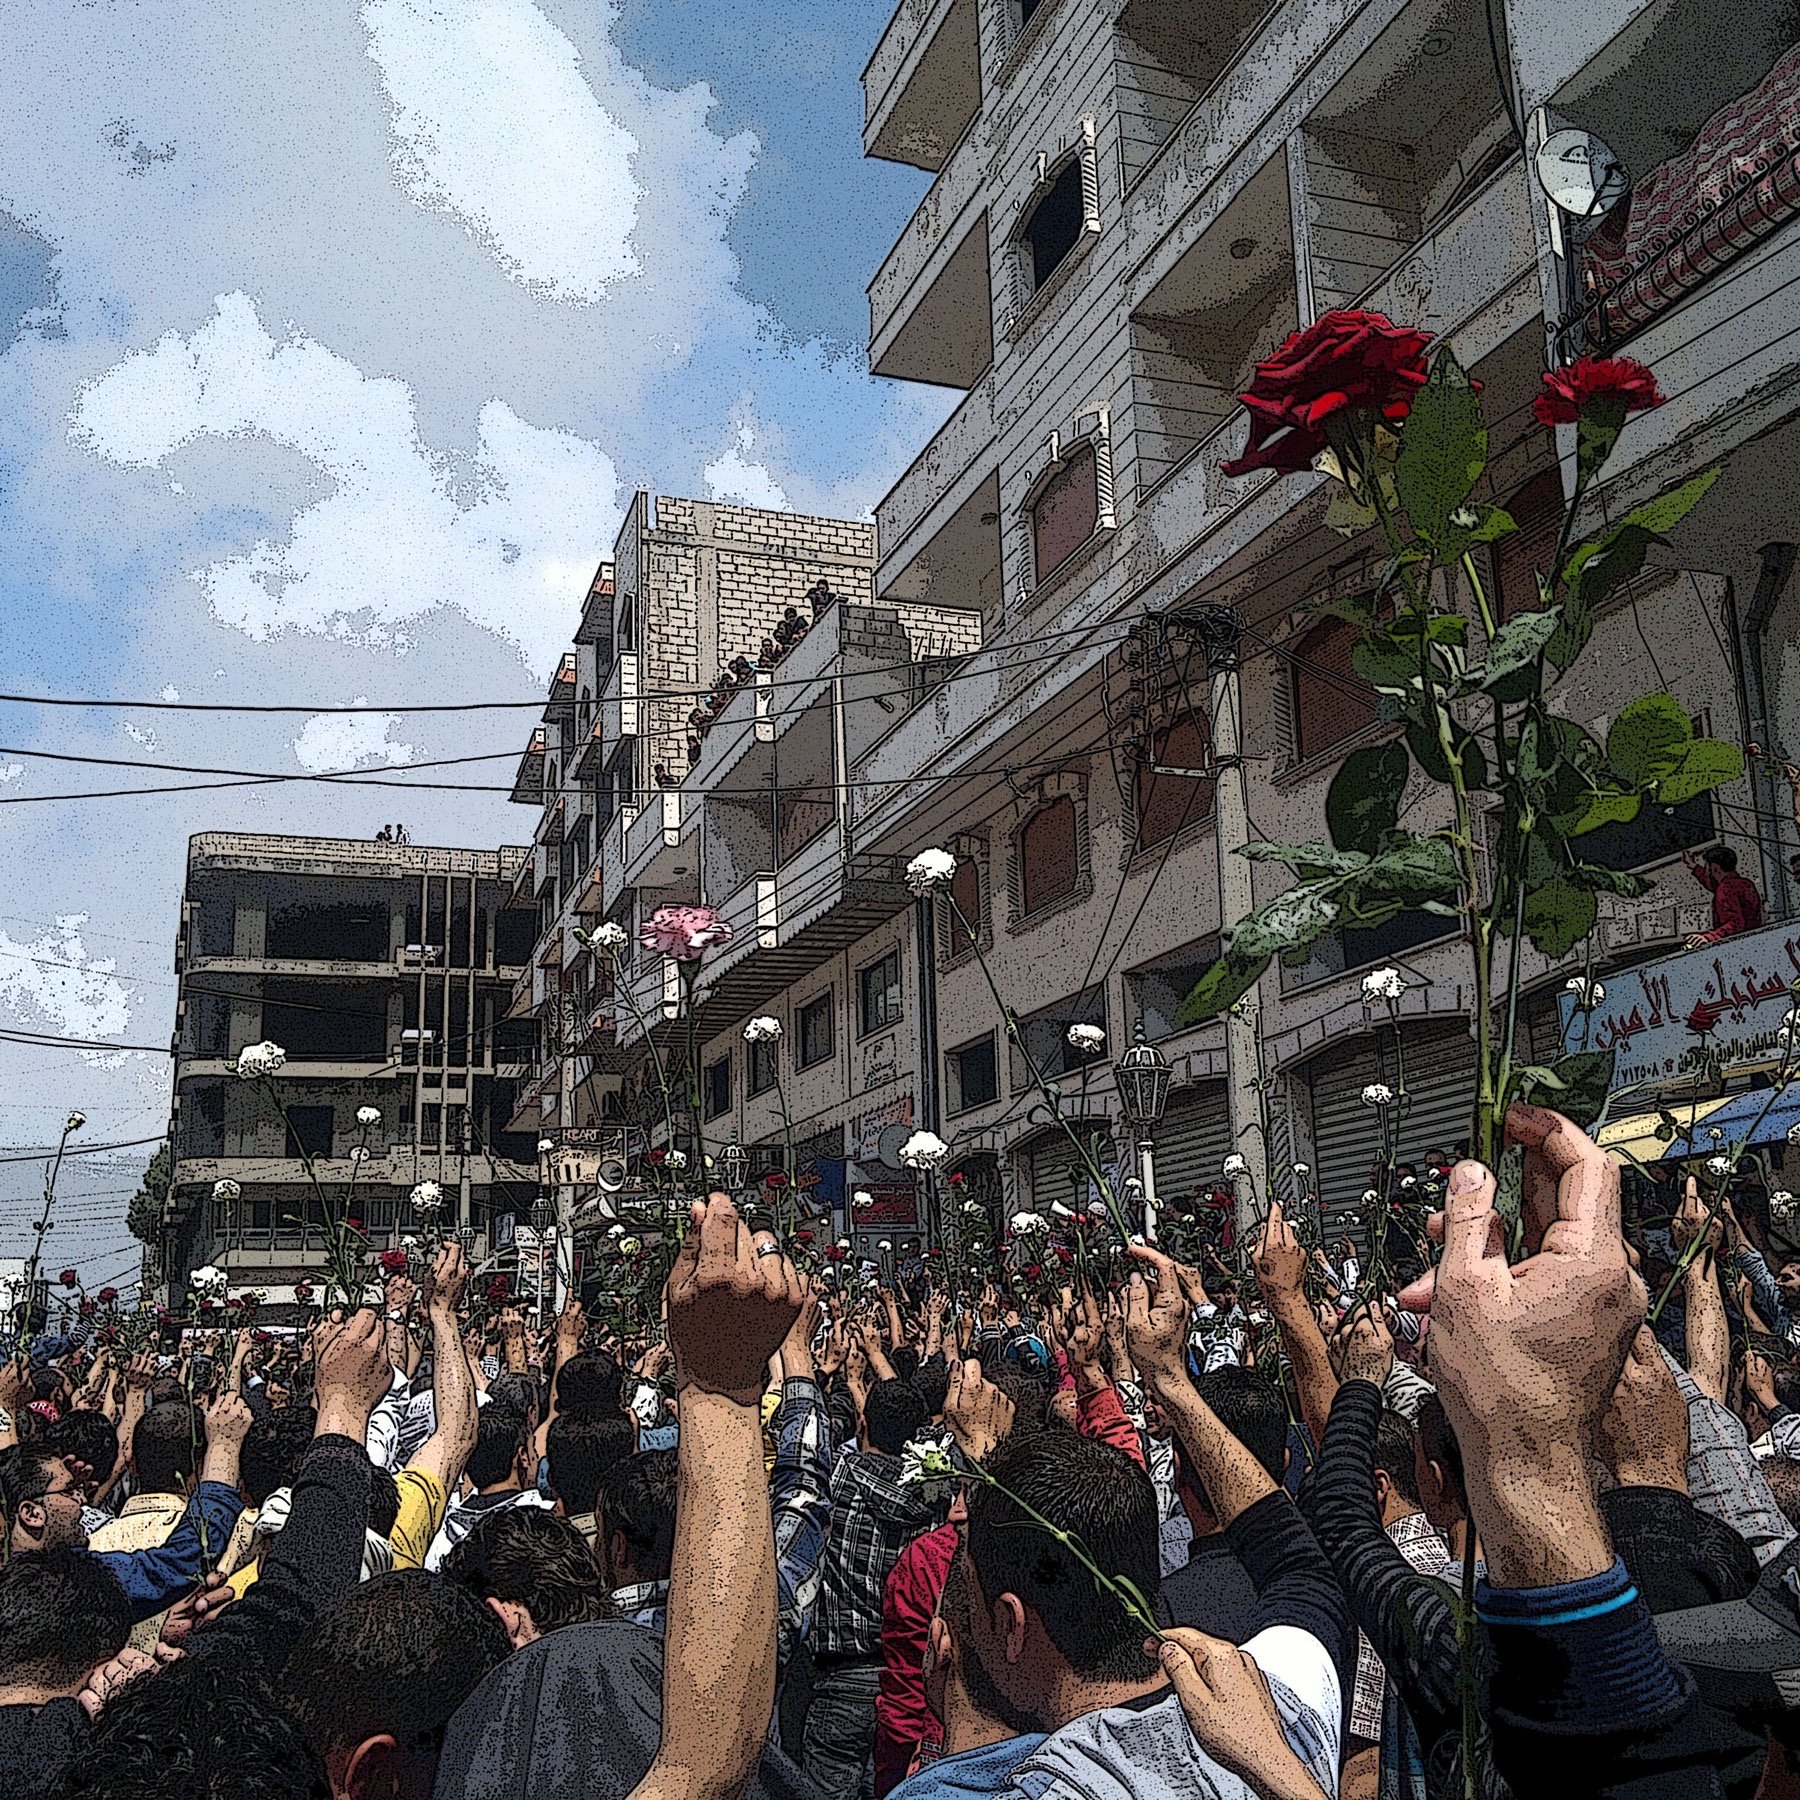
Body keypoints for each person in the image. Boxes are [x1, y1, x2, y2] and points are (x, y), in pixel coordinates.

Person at [807, 1378, 943, 1798]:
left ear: (862, 1424)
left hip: (843, 1678)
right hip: (905, 1681)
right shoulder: (939, 1495)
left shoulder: (838, 1477)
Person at [1685, 844, 1763, 947]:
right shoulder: (1745, 884)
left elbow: (1736, 923)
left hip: (1737, 945)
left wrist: (1709, 937)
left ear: (1715, 868)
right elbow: (1712, 884)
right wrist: (1693, 865)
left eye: (1707, 866)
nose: (1706, 870)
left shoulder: (1725, 888)